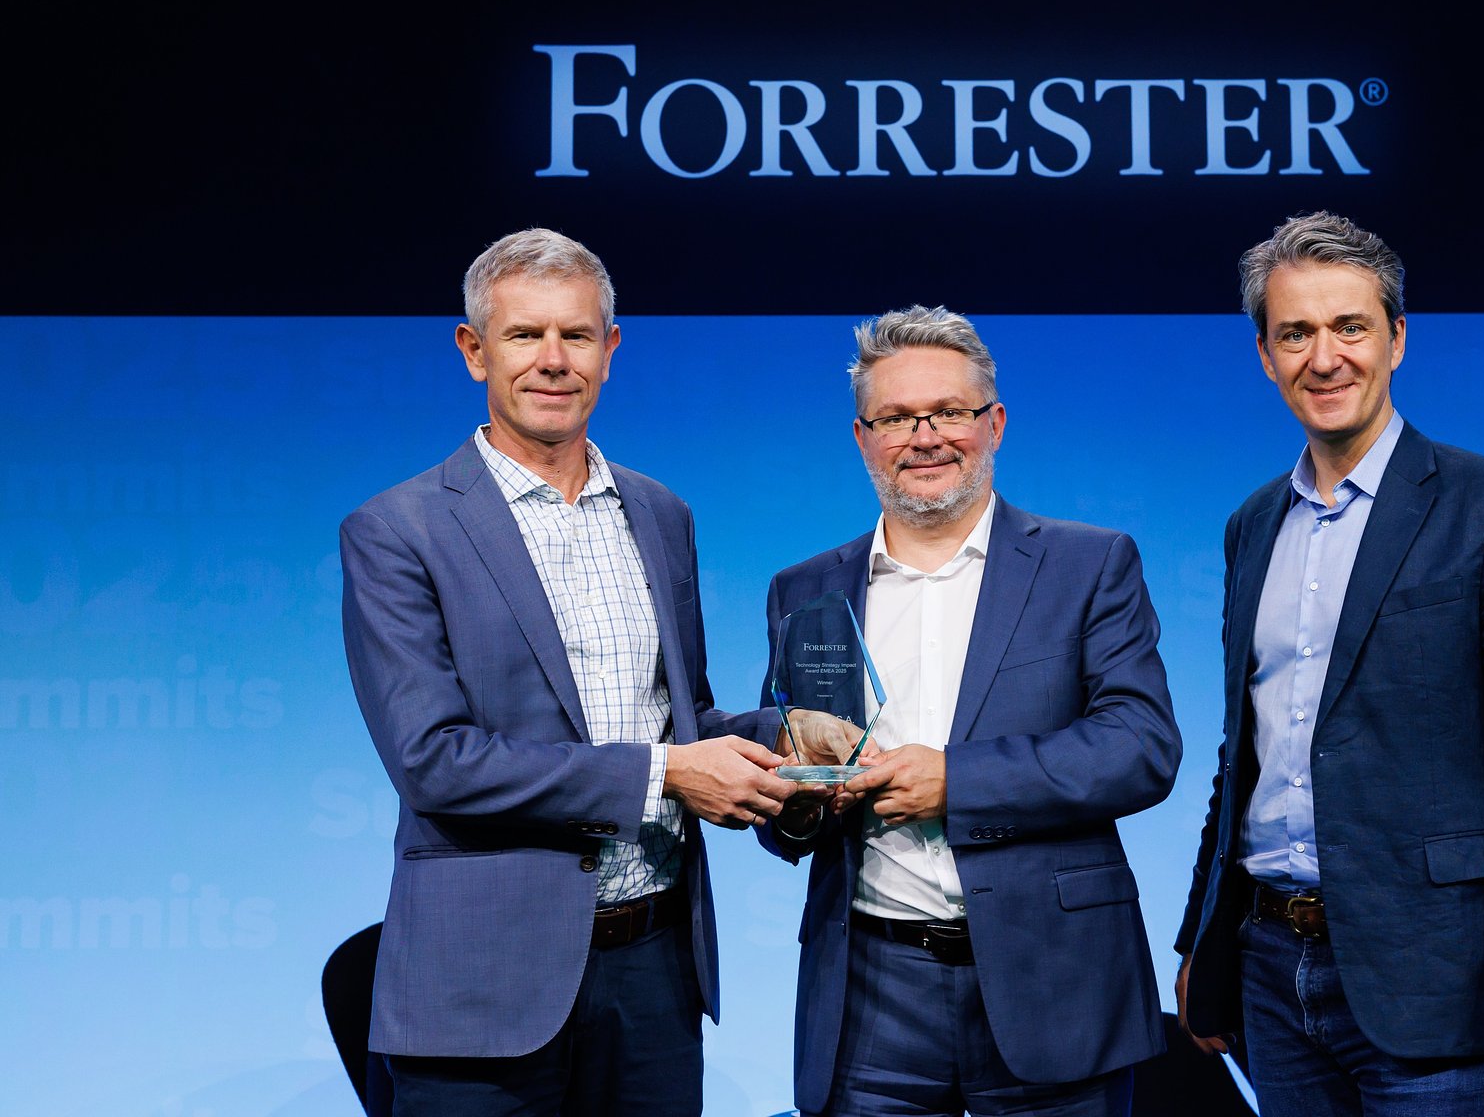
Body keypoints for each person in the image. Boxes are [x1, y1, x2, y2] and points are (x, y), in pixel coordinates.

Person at [339, 228, 796, 1115]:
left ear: (610, 350)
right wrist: (667, 775)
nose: (554, 360)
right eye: (525, 335)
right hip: (483, 989)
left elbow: (681, 719)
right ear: (474, 350)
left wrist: (784, 737)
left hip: (655, 974)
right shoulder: (397, 531)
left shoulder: (661, 513)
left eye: (577, 335)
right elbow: (435, 761)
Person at [1173, 212, 1484, 1117]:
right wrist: (1198, 942)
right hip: (1268, 972)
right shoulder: (1252, 525)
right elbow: (1245, 753)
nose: (1324, 357)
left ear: (1398, 339)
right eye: (1296, 333)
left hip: (1441, 977)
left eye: (1350, 327)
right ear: (1265, 355)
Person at [758, 306, 1182, 1116]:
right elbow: (784, 802)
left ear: (995, 424)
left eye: (949, 412)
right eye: (895, 418)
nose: (924, 438)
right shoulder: (802, 589)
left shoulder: (1089, 564)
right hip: (869, 997)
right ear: (863, 439)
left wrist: (958, 781)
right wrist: (803, 797)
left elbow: (1140, 747)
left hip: (1055, 980)